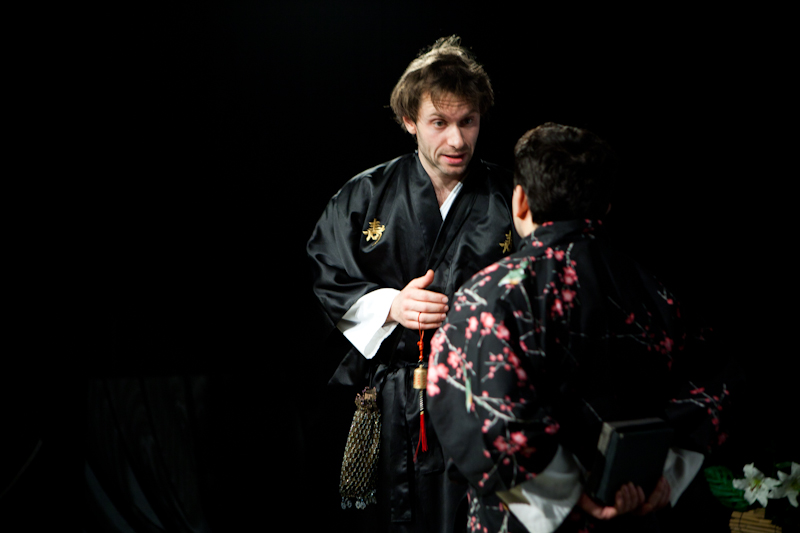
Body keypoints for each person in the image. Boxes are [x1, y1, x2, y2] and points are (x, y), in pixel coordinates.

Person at [426, 123, 732, 532]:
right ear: (605, 207)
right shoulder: (656, 291)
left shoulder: (490, 297)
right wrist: (665, 474)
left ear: (520, 201)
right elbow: (713, 384)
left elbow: (474, 410)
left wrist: (565, 492)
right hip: (639, 508)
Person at [306, 36, 520, 532]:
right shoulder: (365, 195)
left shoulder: (509, 195)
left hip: (484, 397)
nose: (457, 141)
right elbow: (324, 270)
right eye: (439, 123)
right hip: (394, 398)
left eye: (468, 121)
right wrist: (389, 306)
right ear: (409, 121)